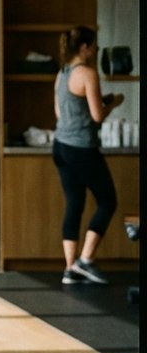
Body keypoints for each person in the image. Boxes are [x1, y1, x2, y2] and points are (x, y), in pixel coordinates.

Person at [53, 25, 123, 286]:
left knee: (75, 204)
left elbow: (61, 113)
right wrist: (112, 103)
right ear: (85, 47)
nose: (96, 50)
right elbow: (96, 115)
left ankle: (70, 269)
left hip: (60, 146)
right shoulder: (87, 73)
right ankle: (85, 259)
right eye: (94, 45)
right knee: (107, 201)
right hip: (82, 148)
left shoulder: (62, 74)